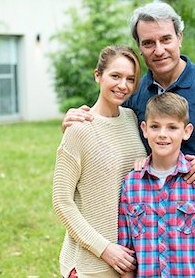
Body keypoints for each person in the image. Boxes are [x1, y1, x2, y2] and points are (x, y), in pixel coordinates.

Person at [61, 2, 195, 277]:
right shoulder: (135, 94)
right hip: (155, 231)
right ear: (140, 47)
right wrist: (76, 119)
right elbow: (109, 124)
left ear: (179, 37)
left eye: (166, 39)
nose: (158, 49)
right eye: (148, 43)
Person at [52, 45, 147, 277]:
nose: (122, 85)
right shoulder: (79, 129)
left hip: (129, 262)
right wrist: (104, 249)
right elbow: (62, 202)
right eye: (115, 76)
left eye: (130, 79)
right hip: (90, 264)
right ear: (98, 75)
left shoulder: (132, 119)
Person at [118, 92, 195, 278]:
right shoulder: (131, 183)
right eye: (155, 126)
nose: (162, 134)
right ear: (144, 129)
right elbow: (126, 249)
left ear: (186, 131)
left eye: (172, 127)